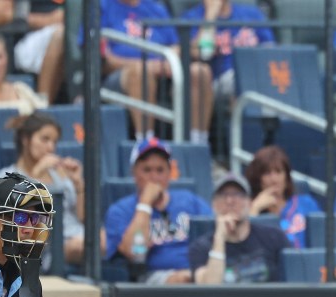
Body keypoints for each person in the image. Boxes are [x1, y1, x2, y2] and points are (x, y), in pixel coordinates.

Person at [101, 0, 215, 144]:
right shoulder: (101, 6)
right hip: (118, 77)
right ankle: (145, 145)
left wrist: (170, 56)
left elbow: (176, 45)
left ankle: (197, 146)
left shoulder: (155, 8)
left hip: (161, 73)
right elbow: (105, 60)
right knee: (141, 72)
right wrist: (150, 65)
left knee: (200, 72)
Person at [103, 138, 212, 284]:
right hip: (153, 277)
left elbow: (214, 235)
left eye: (160, 170)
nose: (154, 177)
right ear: (134, 172)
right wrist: (145, 204)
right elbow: (133, 251)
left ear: (169, 173)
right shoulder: (120, 210)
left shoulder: (190, 200)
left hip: (198, 270)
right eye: (147, 170)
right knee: (187, 278)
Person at [0, 113, 88, 268]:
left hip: (75, 234)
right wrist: (37, 174)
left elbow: (84, 217)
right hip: (43, 242)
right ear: (25, 140)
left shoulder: (61, 174)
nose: (51, 147)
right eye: (45, 139)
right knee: (83, 245)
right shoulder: (7, 176)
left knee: (99, 239)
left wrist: (78, 183)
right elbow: (17, 218)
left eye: (54, 141)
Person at [182, 0, 276, 135]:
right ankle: (241, 144)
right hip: (218, 79)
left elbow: (270, 50)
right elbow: (204, 53)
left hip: (255, 75)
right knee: (238, 83)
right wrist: (210, 15)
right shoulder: (192, 17)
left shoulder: (252, 14)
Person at [189, 173, 289, 283]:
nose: (230, 201)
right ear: (214, 205)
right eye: (223, 195)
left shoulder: (274, 237)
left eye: (238, 195)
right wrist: (219, 237)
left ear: (250, 203)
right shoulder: (200, 247)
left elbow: (295, 280)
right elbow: (208, 292)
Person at [243, 145, 320, 249]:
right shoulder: (248, 208)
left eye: (278, 172)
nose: (274, 179)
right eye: (267, 173)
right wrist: (255, 208)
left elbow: (322, 240)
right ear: (258, 179)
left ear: (286, 176)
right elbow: (243, 246)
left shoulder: (306, 203)